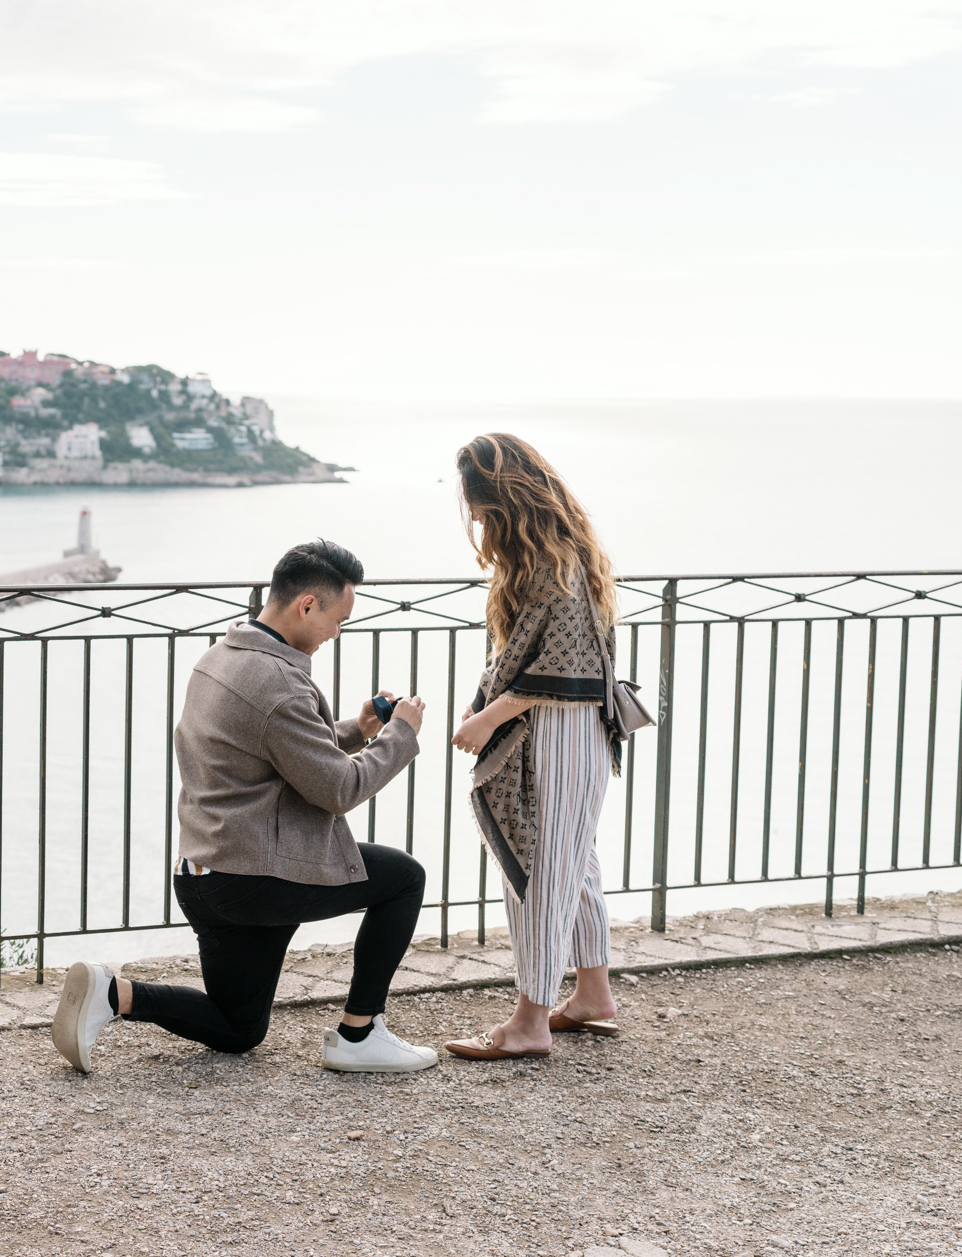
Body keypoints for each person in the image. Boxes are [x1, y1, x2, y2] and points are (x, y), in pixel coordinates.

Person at [50, 539, 439, 1074]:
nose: (336, 633)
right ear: (308, 605)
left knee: (238, 1028)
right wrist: (401, 735)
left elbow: (277, 749)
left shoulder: (223, 655)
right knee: (404, 878)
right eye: (338, 619)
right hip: (256, 878)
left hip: (205, 876)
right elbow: (338, 790)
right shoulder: (279, 682)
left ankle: (113, 995)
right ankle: (359, 1032)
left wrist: (358, 730)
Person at [444, 433, 624, 1060]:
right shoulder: (557, 554)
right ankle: (593, 995)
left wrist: (487, 718)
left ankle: (529, 1022)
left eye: (479, 506)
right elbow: (527, 653)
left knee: (543, 870)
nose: (474, 518)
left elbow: (562, 669)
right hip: (573, 730)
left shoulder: (554, 564)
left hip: (560, 728)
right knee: (574, 860)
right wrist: (482, 702)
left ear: (502, 499)